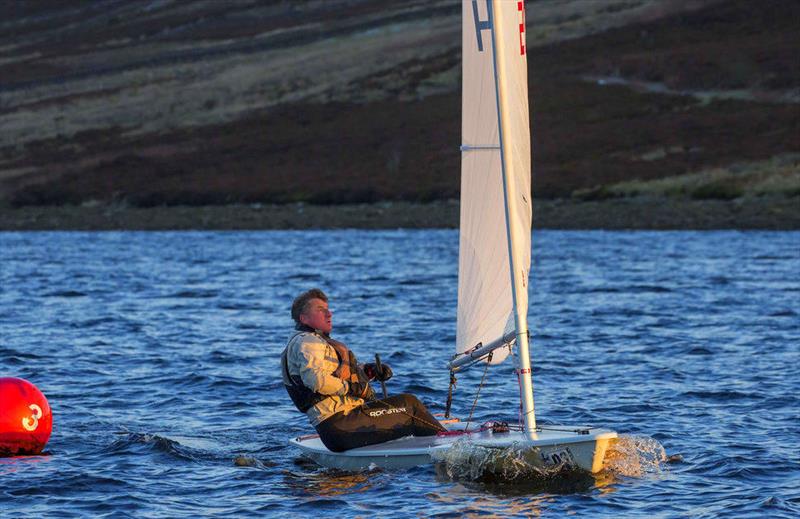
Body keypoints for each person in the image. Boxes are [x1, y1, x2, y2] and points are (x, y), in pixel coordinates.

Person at [281, 288, 445, 452]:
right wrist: (351, 388)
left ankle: (439, 442)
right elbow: (317, 381)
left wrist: (368, 372)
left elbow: (334, 373)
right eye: (320, 310)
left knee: (407, 405)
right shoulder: (308, 342)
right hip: (341, 425)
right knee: (410, 405)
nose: (329, 314)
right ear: (304, 318)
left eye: (328, 309)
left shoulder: (311, 341)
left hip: (341, 426)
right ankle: (449, 446)